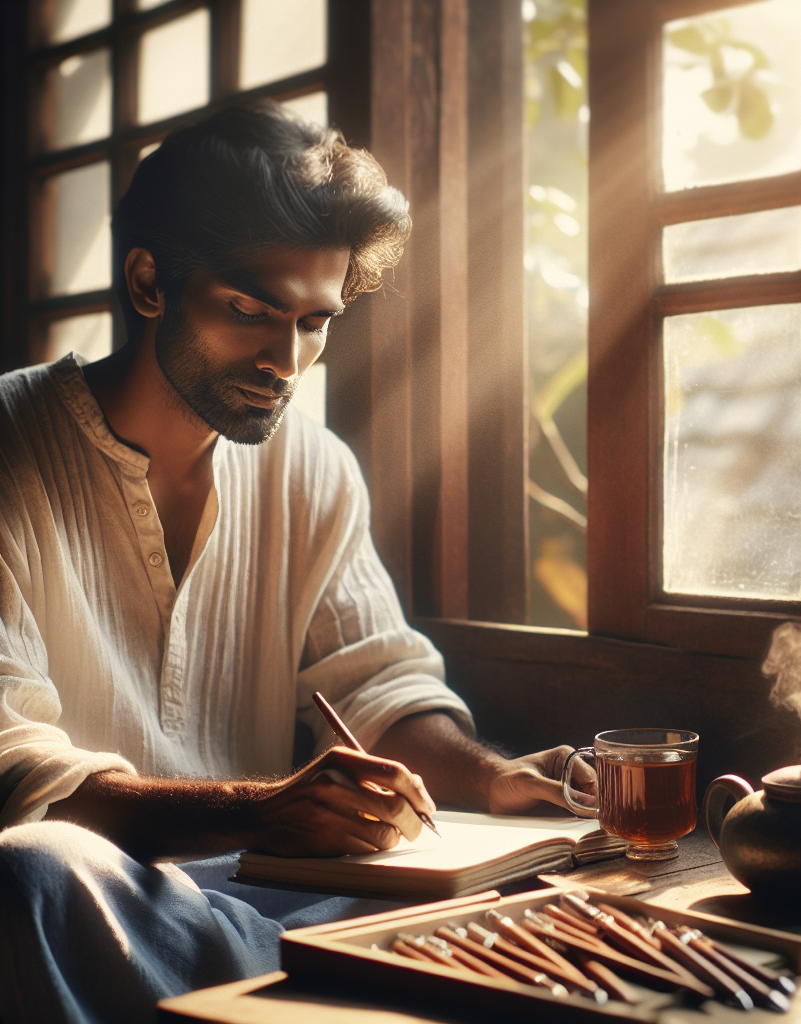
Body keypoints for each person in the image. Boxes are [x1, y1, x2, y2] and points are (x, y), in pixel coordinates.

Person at [0, 102, 575, 1024]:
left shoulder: (315, 465)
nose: (287, 360)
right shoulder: (9, 447)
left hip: (276, 891)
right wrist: (265, 808)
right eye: (251, 312)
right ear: (148, 282)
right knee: (30, 869)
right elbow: (15, 771)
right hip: (104, 897)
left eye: (316, 323)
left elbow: (379, 684)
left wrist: (492, 774)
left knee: (532, 887)